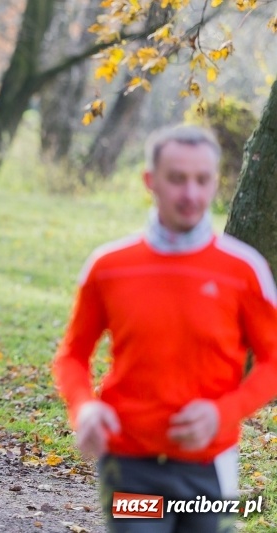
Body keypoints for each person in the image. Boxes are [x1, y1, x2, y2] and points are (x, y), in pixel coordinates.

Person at [53, 124, 277, 533]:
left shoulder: (244, 270)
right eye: (177, 179)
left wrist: (223, 413)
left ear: (215, 182)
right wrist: (83, 407)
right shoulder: (109, 266)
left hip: (208, 470)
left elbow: (273, 363)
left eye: (202, 180)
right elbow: (72, 355)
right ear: (150, 181)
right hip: (130, 466)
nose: (190, 194)